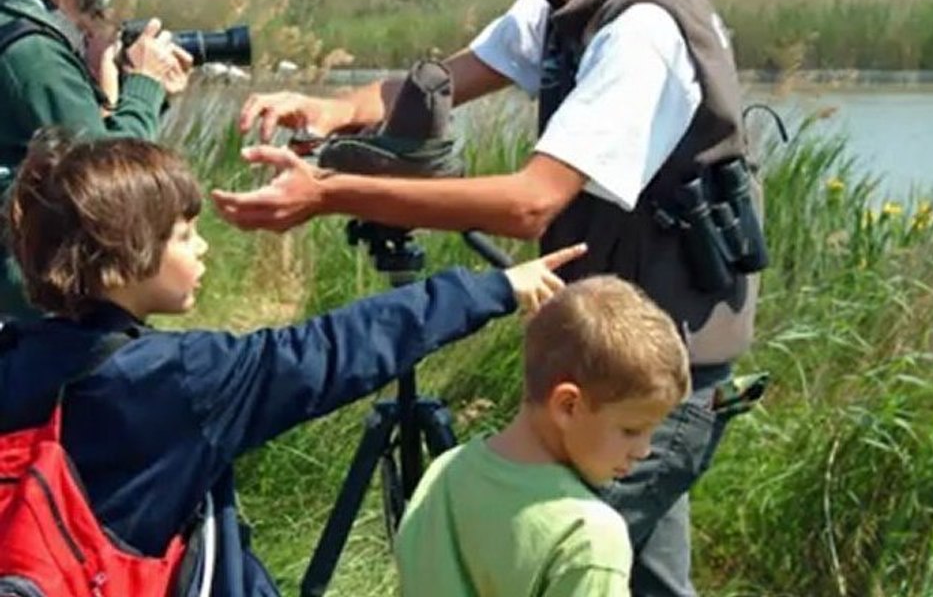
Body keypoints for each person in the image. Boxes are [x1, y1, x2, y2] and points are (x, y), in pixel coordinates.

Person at [213, 0, 765, 593]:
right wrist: (333, 108)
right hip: (609, 358)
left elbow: (532, 203)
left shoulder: (642, 29)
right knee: (648, 581)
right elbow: (453, 77)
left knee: (560, 561)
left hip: (653, 371)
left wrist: (327, 194)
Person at [0, 132, 585, 596]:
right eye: (182, 235)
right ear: (118, 260)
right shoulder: (185, 379)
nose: (201, 247)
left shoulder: (16, 354)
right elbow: (331, 349)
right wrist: (494, 289)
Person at [395, 275, 691, 596]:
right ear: (567, 406)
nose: (644, 450)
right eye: (631, 430)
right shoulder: (589, 538)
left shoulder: (447, 471)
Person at [0, 0, 193, 319]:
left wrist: (142, 90)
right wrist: (145, 85)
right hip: (24, 307)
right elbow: (107, 182)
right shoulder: (32, 52)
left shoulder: (23, 31)